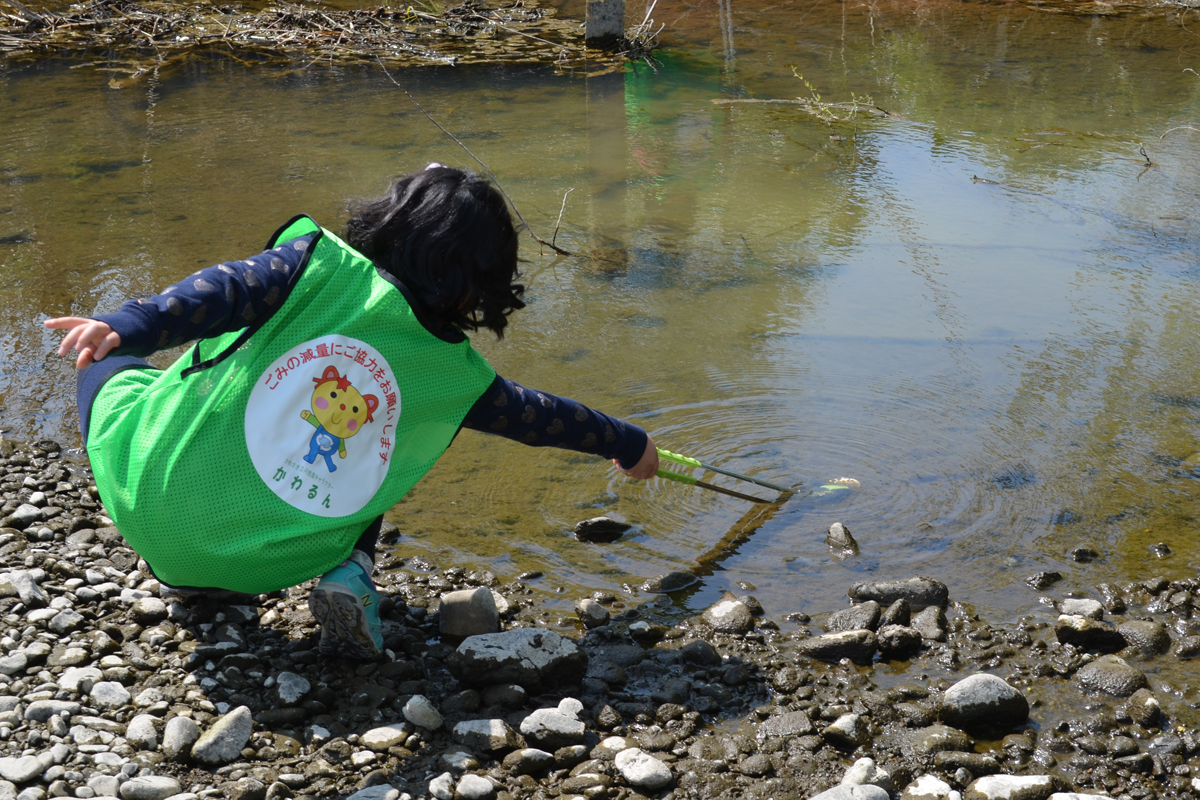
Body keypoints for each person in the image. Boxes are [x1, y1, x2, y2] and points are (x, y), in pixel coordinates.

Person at [45, 164, 659, 660]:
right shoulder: (454, 377)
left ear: (388, 222)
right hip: (273, 559)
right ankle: (349, 570)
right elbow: (540, 417)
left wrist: (125, 328)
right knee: (378, 447)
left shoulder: (310, 266)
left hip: (152, 507)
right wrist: (626, 442)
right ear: (481, 284)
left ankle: (192, 574)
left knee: (103, 367)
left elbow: (220, 291)